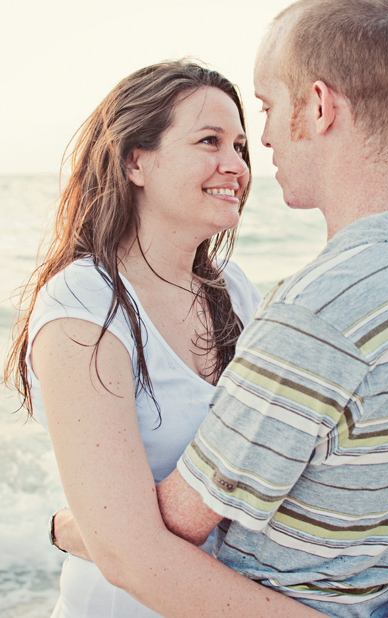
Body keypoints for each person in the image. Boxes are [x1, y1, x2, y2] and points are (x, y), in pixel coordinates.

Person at [6, 60, 331, 617]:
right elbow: (129, 556)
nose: (236, 165)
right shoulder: (83, 305)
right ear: (135, 161)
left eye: (241, 146)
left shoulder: (235, 291)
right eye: (210, 141)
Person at [148, 1, 388, 616]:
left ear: (319, 107)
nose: (260, 140)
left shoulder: (320, 308)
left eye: (267, 108)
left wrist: (66, 526)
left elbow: (176, 524)